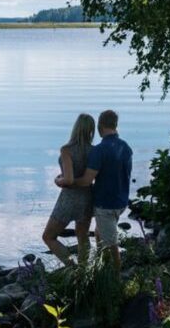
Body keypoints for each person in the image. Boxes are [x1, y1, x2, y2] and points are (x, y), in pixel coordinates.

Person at [56, 109, 131, 269]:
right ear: (115, 125)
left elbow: (86, 181)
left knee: (111, 244)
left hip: (106, 204)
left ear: (100, 127)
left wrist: (65, 182)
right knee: (99, 233)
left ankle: (115, 277)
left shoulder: (100, 150)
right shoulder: (125, 147)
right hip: (121, 202)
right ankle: (100, 268)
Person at [42, 113, 96, 266]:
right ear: (91, 130)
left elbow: (69, 180)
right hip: (88, 197)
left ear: (75, 128)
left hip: (69, 199)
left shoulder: (66, 150)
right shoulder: (94, 151)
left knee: (48, 237)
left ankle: (71, 267)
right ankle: (84, 270)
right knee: (83, 235)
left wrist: (57, 180)